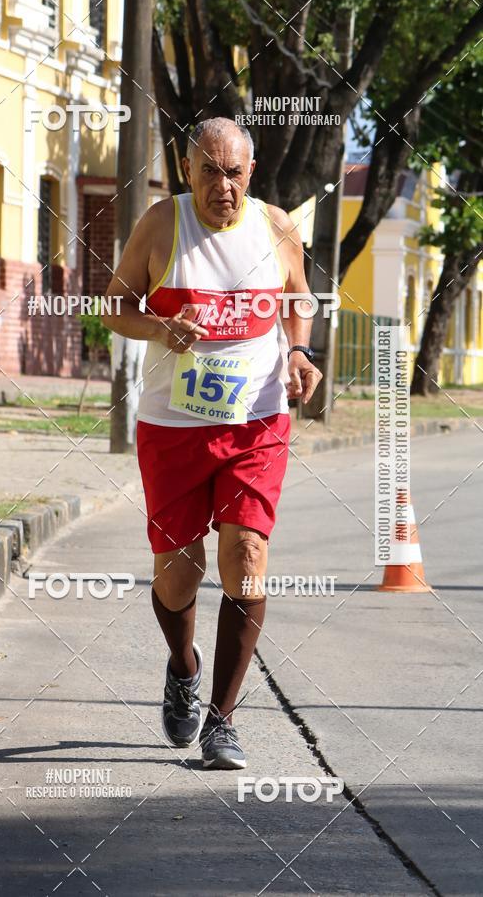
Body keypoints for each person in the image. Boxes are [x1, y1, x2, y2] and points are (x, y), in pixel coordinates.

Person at [102, 117, 321, 769]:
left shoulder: (277, 227)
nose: (222, 186)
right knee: (178, 575)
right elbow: (114, 305)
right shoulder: (162, 226)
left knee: (246, 553)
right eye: (209, 171)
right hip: (172, 427)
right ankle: (183, 666)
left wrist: (301, 350)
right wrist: (161, 326)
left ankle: (222, 720)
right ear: (188, 170)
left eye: (234, 173)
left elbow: (299, 296)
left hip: (256, 421)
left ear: (250, 174)